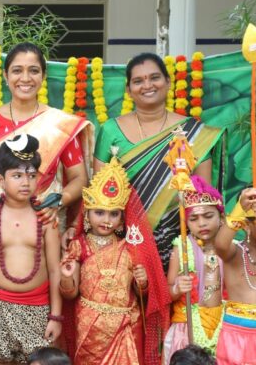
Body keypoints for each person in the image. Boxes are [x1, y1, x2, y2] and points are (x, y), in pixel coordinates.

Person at [94, 52, 225, 269]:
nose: (147, 85)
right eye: (138, 81)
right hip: (125, 240)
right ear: (128, 90)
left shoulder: (193, 132)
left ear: (167, 81)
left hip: (179, 242)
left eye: (154, 77)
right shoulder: (110, 130)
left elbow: (203, 195)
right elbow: (100, 193)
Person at [0, 42, 93, 234]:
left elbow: (80, 178)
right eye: (17, 70)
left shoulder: (60, 123)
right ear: (6, 76)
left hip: (44, 229)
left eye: (33, 71)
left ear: (43, 76)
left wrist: (57, 202)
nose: (25, 78)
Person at [59, 151, 170, 365]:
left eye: (114, 214)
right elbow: (70, 294)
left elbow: (141, 293)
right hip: (89, 326)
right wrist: (66, 277)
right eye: (99, 212)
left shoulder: (131, 247)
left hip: (126, 325)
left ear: (122, 218)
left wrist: (143, 281)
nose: (106, 220)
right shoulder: (78, 246)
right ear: (87, 214)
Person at [0, 134, 63, 364]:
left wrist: (56, 316)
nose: (25, 182)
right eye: (17, 175)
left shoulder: (45, 217)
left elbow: (54, 270)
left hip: (37, 308)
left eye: (31, 176)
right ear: (1, 180)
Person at [163, 176, 225, 363]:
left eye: (208, 216)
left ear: (221, 218)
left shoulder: (230, 248)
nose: (202, 224)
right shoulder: (181, 248)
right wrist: (177, 288)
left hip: (221, 325)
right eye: (194, 219)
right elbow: (167, 292)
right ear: (186, 223)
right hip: (186, 324)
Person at [214, 188, 256, 365]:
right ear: (247, 224)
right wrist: (240, 208)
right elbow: (220, 244)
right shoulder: (234, 253)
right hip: (235, 340)